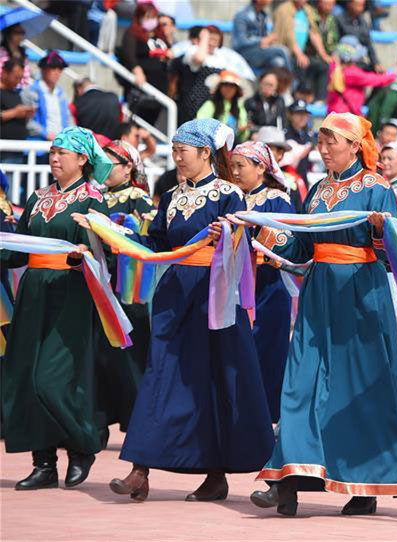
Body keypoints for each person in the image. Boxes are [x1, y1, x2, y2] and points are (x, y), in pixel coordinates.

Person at [99, 118, 275, 502]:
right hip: (175, 294)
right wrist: (111, 230)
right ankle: (139, 469)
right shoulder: (173, 194)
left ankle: (216, 474)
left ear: (206, 153)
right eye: (175, 150)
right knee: (161, 376)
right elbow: (156, 240)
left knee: (215, 379)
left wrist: (226, 234)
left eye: (183, 150)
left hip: (215, 296)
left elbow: (244, 243)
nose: (177, 157)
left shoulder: (229, 194)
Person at [250, 113, 397, 517]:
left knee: (361, 387)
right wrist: (262, 233)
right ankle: (286, 480)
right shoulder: (319, 191)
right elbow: (303, 246)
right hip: (319, 291)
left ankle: (367, 483)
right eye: (320, 143)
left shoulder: (377, 188)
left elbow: (391, 250)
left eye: (331, 143)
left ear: (355, 145)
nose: (323, 150)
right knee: (300, 383)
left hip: (361, 293)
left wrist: (379, 230)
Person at [2, 126, 114, 490]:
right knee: (25, 376)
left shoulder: (93, 198)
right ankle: (43, 462)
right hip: (34, 292)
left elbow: (104, 249)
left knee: (51, 379)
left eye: (62, 153)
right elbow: (18, 249)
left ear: (83, 159)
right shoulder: (36, 198)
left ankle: (83, 445)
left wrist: (86, 253)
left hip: (71, 293)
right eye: (52, 151)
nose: (54, 158)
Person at [230, 141, 296, 423]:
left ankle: (268, 418)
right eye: (231, 166)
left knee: (268, 353)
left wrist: (254, 231)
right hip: (233, 284)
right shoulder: (230, 196)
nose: (234, 172)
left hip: (269, 284)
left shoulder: (278, 200)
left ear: (261, 168)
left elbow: (289, 239)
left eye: (240, 166)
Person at [94, 140, 155, 443]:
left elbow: (148, 239)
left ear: (128, 167)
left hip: (128, 287)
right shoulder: (96, 198)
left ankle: (138, 422)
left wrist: (124, 227)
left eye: (111, 164)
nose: (103, 171)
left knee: (131, 356)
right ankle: (98, 420)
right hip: (98, 282)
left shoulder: (139, 199)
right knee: (100, 355)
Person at [117, 2, 171, 125]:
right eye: (147, 17)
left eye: (153, 17)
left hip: (160, 85)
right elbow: (128, 55)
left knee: (151, 123)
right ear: (139, 18)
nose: (151, 21)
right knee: (137, 122)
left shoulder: (160, 35)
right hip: (142, 87)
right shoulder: (131, 34)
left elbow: (169, 50)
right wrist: (137, 70)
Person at [169, 26, 225, 126]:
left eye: (216, 40)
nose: (212, 43)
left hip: (211, 104)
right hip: (192, 103)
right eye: (210, 39)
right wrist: (204, 37)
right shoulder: (193, 51)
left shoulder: (220, 58)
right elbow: (199, 59)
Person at [327, 36, 396, 116]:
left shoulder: (333, 67)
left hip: (333, 113)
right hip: (346, 115)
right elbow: (374, 79)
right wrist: (393, 75)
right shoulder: (351, 73)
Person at [23, 51, 72, 143]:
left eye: (60, 69)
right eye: (53, 67)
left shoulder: (61, 93)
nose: (57, 72)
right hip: (37, 147)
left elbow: (68, 119)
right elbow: (27, 121)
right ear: (43, 69)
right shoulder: (30, 91)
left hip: (60, 146)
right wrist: (46, 134)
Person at [232, 0, 294, 72]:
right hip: (246, 54)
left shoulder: (262, 15)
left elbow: (264, 37)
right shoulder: (242, 15)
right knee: (282, 50)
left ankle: (282, 82)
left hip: (260, 52)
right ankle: (291, 81)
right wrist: (261, 41)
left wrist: (268, 40)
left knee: (278, 62)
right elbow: (240, 42)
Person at [196, 71, 252, 142]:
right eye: (225, 84)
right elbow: (201, 124)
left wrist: (243, 130)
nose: (228, 88)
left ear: (236, 89)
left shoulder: (239, 106)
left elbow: (243, 134)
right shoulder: (210, 104)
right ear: (219, 87)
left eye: (232, 85)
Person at [0, 59, 34, 164]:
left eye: (21, 78)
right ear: (5, 73)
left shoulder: (16, 93)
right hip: (3, 152)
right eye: (16, 77)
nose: (19, 81)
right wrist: (15, 112)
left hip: (17, 150)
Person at [305, 0, 339, 102]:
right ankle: (319, 99)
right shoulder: (311, 16)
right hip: (309, 54)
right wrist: (324, 55)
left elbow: (333, 43)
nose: (329, 7)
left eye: (331, 4)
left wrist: (334, 58)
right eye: (326, 4)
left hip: (326, 56)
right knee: (323, 66)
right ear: (319, 3)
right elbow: (313, 35)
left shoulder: (331, 19)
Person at [335, 0, 381, 71]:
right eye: (358, 5)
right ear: (349, 4)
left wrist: (376, 63)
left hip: (360, 61)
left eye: (362, 5)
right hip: (345, 62)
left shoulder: (363, 22)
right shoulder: (339, 20)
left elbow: (368, 44)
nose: (360, 8)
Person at [0, 24, 33, 89]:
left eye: (22, 33)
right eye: (17, 32)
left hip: (22, 90)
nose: (20, 36)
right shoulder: (1, 52)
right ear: (8, 33)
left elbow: (27, 76)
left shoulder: (23, 53)